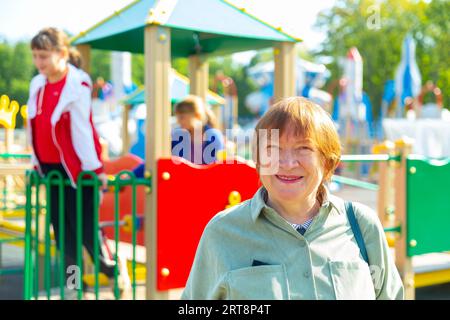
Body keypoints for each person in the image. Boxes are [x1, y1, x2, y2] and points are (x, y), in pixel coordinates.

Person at [182, 97, 404, 300]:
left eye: (303, 148)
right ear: (258, 161)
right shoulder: (222, 233)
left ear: (328, 162)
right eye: (273, 148)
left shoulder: (362, 226)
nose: (287, 162)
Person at [27, 27, 127, 296]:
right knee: (62, 232)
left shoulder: (77, 83)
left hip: (77, 170)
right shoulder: (38, 83)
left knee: (84, 229)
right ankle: (74, 285)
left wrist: (95, 169)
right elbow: (35, 126)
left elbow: (82, 130)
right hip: (51, 169)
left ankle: (113, 269)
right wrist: (35, 163)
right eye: (36, 56)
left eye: (44, 56)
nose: (39, 63)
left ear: (61, 53)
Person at [132, 95, 225, 178]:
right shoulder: (178, 137)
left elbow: (217, 167)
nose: (178, 121)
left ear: (197, 115)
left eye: (182, 117)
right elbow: (158, 158)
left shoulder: (213, 137)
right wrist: (133, 175)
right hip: (183, 186)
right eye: (177, 118)